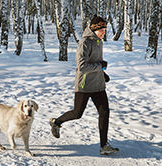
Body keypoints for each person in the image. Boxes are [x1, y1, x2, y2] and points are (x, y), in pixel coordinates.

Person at [49, 15, 119, 155]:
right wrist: (100, 66)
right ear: (94, 29)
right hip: (85, 85)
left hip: (98, 85)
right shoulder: (85, 43)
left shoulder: (99, 42)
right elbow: (82, 67)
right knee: (77, 113)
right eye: (101, 30)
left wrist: (102, 74)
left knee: (104, 112)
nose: (104, 32)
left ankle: (104, 146)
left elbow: (95, 61)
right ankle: (56, 122)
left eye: (105, 29)